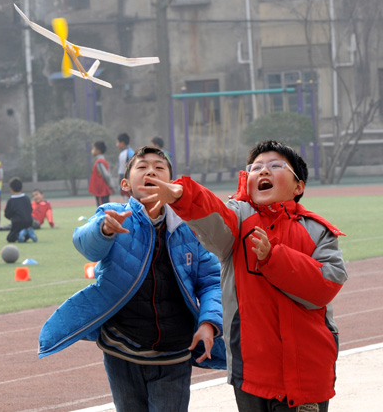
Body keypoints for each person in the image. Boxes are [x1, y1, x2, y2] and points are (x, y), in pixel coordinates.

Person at [139, 140, 347, 411]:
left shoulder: (318, 231)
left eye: (275, 166)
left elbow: (325, 285)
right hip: (252, 371)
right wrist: (183, 196)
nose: (263, 171)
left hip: (308, 372)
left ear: (298, 187)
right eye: (255, 167)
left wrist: (274, 257)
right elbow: (215, 219)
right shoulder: (237, 219)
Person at [38, 146, 226, 412]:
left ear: (172, 184)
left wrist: (209, 322)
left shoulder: (188, 227)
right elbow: (86, 245)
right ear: (126, 184)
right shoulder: (112, 214)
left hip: (174, 353)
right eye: (142, 166)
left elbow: (210, 281)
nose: (151, 170)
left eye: (159, 167)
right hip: (121, 349)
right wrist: (104, 230)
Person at [5, 177, 37, 243]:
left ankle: (19, 235)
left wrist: (10, 216)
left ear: (11, 189)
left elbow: (7, 214)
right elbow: (30, 210)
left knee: (10, 238)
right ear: (22, 187)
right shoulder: (27, 198)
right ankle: (29, 233)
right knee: (24, 235)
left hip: (17, 222)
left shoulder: (11, 200)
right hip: (29, 221)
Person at [89, 141, 113, 207]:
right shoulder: (101, 161)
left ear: (98, 151)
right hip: (101, 191)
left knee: (102, 209)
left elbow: (106, 175)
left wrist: (111, 186)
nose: (92, 151)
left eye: (93, 149)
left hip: (101, 191)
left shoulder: (99, 162)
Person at [116, 133, 134, 200]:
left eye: (117, 142)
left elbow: (122, 170)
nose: (117, 144)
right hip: (130, 181)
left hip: (128, 181)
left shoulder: (125, 153)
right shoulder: (131, 152)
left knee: (128, 202)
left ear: (122, 143)